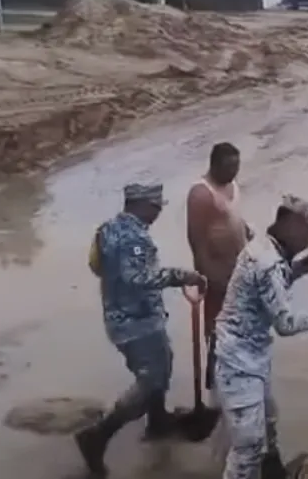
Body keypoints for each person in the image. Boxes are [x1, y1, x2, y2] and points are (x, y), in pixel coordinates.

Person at [214, 194, 308, 479]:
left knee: (268, 423)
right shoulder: (267, 263)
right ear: (292, 224)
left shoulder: (265, 248)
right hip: (238, 361)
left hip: (250, 353)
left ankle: (271, 472)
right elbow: (286, 323)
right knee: (248, 447)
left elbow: (270, 287)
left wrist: (300, 268)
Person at [75, 183, 208, 477]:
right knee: (151, 379)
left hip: (120, 317)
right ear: (143, 205)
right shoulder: (135, 237)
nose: (159, 212)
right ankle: (97, 436)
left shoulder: (108, 228)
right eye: (156, 206)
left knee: (161, 364)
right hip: (137, 322)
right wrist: (180, 276)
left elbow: (97, 266)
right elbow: (137, 277)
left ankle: (158, 422)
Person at [187, 142, 252, 392]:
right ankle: (215, 383)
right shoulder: (201, 194)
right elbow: (197, 241)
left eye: (237, 166)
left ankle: (237, 375)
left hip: (239, 268)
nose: (234, 172)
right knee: (217, 331)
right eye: (228, 167)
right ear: (214, 165)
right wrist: (210, 277)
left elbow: (232, 216)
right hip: (217, 273)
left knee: (240, 327)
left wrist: (246, 230)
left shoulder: (232, 185)